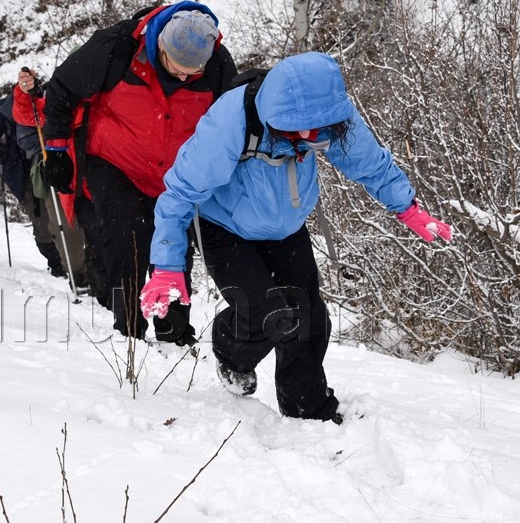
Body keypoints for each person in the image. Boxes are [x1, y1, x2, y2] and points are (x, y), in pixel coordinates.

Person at [139, 52, 452, 423]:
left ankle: (309, 409)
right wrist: (167, 264)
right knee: (264, 312)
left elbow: (370, 164)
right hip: (225, 227)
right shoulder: (231, 121)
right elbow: (180, 193)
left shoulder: (328, 116)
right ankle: (229, 351)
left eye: (314, 130)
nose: (306, 137)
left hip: (286, 229)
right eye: (295, 129)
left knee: (311, 318)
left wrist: (407, 208)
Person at [40, 1, 237, 345]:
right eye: (176, 68)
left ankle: (173, 329)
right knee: (126, 235)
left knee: (173, 240)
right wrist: (57, 151)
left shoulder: (217, 65)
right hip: (114, 162)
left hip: (176, 172)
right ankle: (128, 325)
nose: (182, 77)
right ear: (160, 44)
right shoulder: (116, 47)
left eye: (192, 74)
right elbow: (61, 90)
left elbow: (233, 120)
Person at [13, 67, 106, 303]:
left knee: (99, 229)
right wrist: (26, 94)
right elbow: (29, 115)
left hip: (100, 175)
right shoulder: (63, 101)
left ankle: (101, 281)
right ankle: (79, 277)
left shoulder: (111, 97)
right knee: (67, 225)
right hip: (65, 173)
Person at [0, 90, 84, 282]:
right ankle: (55, 262)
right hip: (20, 173)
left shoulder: (46, 105)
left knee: (56, 217)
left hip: (47, 167)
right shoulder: (3, 110)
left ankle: (67, 263)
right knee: (40, 218)